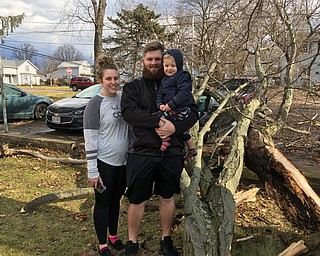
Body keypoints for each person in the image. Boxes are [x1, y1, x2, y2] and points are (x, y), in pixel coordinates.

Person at [121, 42, 199, 256]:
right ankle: (132, 242)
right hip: (142, 152)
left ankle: (166, 240)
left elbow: (193, 112)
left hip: (171, 152)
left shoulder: (178, 84)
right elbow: (129, 113)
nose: (155, 63)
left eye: (158, 59)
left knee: (167, 197)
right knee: (137, 199)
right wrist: (157, 123)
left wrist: (175, 126)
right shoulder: (133, 87)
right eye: (150, 59)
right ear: (143, 61)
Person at [83, 55, 128, 256]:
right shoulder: (95, 104)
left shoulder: (124, 99)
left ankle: (114, 236)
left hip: (124, 163)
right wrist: (92, 170)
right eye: (109, 79)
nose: (113, 82)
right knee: (103, 202)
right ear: (101, 80)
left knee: (116, 200)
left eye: (116, 78)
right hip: (104, 163)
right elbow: (90, 138)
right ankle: (102, 243)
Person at [155, 49, 197, 159]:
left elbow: (184, 93)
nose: (169, 69)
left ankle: (166, 139)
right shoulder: (164, 80)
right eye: (166, 66)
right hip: (169, 109)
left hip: (180, 109)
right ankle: (192, 150)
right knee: (182, 132)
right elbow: (160, 94)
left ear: (178, 64)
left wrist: (170, 105)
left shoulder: (182, 76)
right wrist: (160, 105)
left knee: (156, 117)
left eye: (172, 66)